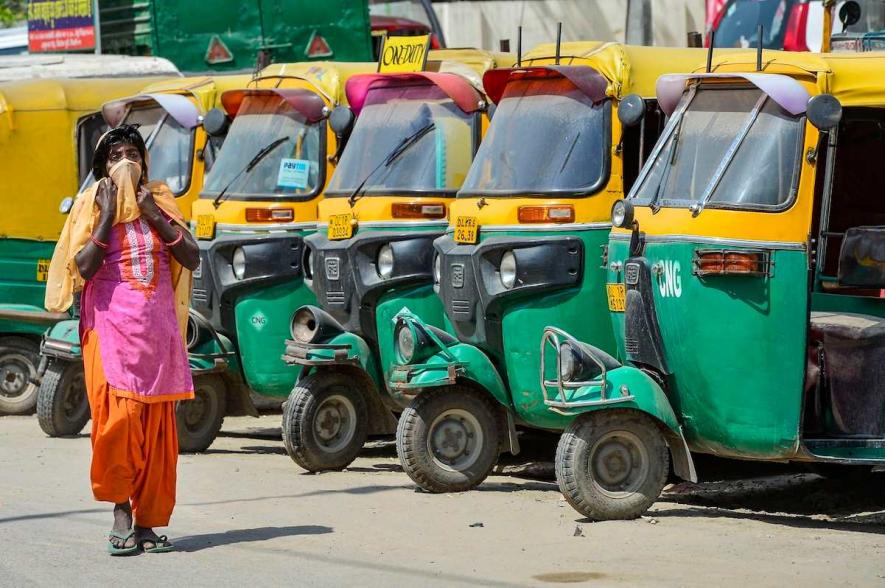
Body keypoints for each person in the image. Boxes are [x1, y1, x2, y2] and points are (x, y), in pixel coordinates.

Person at [45, 125, 200, 555]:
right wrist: (110, 214)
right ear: (103, 168)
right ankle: (120, 513)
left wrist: (151, 211)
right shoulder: (91, 207)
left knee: (157, 432)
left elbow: (191, 256)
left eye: (133, 153)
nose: (125, 162)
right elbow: (83, 267)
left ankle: (149, 523)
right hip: (111, 331)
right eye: (116, 157)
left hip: (159, 334)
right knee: (117, 424)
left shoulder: (162, 201)